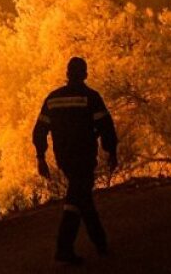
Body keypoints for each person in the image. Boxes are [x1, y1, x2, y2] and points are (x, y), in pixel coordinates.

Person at [32, 56, 118, 265]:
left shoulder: (52, 99)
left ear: (67, 74)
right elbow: (106, 127)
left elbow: (39, 131)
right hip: (84, 155)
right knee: (77, 198)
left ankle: (101, 244)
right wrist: (112, 152)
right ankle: (65, 248)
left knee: (81, 196)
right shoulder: (91, 97)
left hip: (64, 158)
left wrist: (41, 158)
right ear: (85, 74)